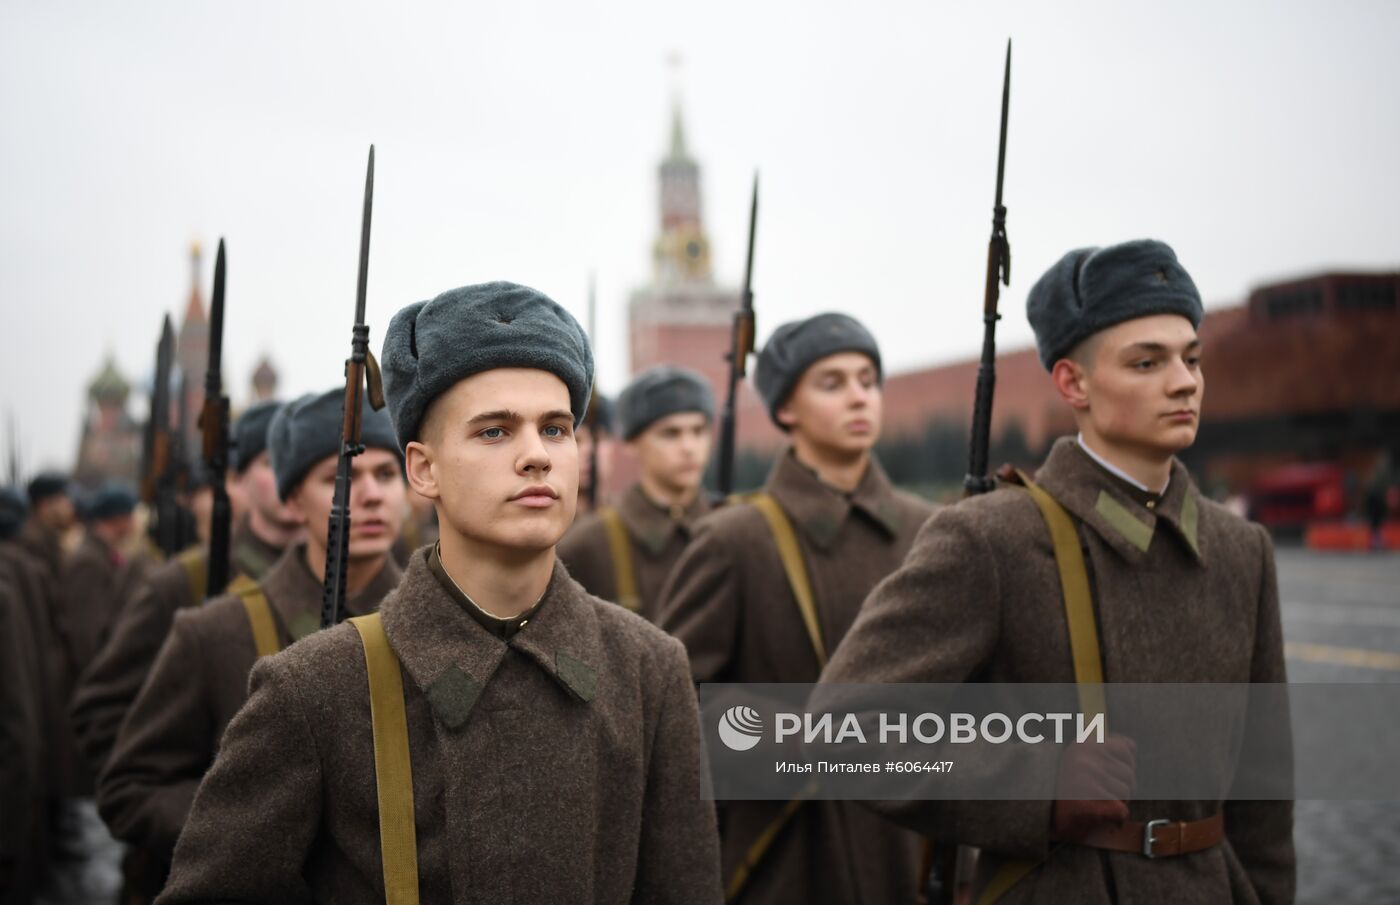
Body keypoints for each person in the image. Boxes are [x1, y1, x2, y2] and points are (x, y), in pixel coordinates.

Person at [157, 281, 723, 903]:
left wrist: (834, 752)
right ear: (424, 469)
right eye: (494, 432)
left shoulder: (649, 669)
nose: (537, 455)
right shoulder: (315, 689)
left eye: (557, 429)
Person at [820, 239, 1294, 904]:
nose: (1184, 381)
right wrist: (1033, 782)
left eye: (1191, 358)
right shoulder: (993, 539)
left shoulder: (1244, 550)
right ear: (1074, 383)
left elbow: (1264, 795)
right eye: (1147, 361)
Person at [657, 312, 935, 904]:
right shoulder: (735, 540)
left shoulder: (931, 532)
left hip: (911, 854)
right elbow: (671, 712)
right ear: (785, 409)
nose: (859, 396)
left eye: (867, 379)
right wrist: (798, 742)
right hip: (787, 860)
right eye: (831, 384)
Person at [98, 391, 403, 886]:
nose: (370, 494)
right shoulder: (215, 633)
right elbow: (130, 787)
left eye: (387, 474)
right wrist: (244, 831)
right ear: (290, 500)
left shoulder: (436, 625)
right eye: (340, 478)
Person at [71, 400, 297, 777]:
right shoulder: (181, 581)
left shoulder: (344, 575)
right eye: (274, 462)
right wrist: (199, 814)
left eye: (310, 465)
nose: (293, 475)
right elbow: (101, 714)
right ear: (236, 479)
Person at [559, 365, 714, 620]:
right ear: (631, 442)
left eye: (698, 431)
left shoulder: (731, 531)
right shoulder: (588, 544)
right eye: (670, 433)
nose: (689, 447)